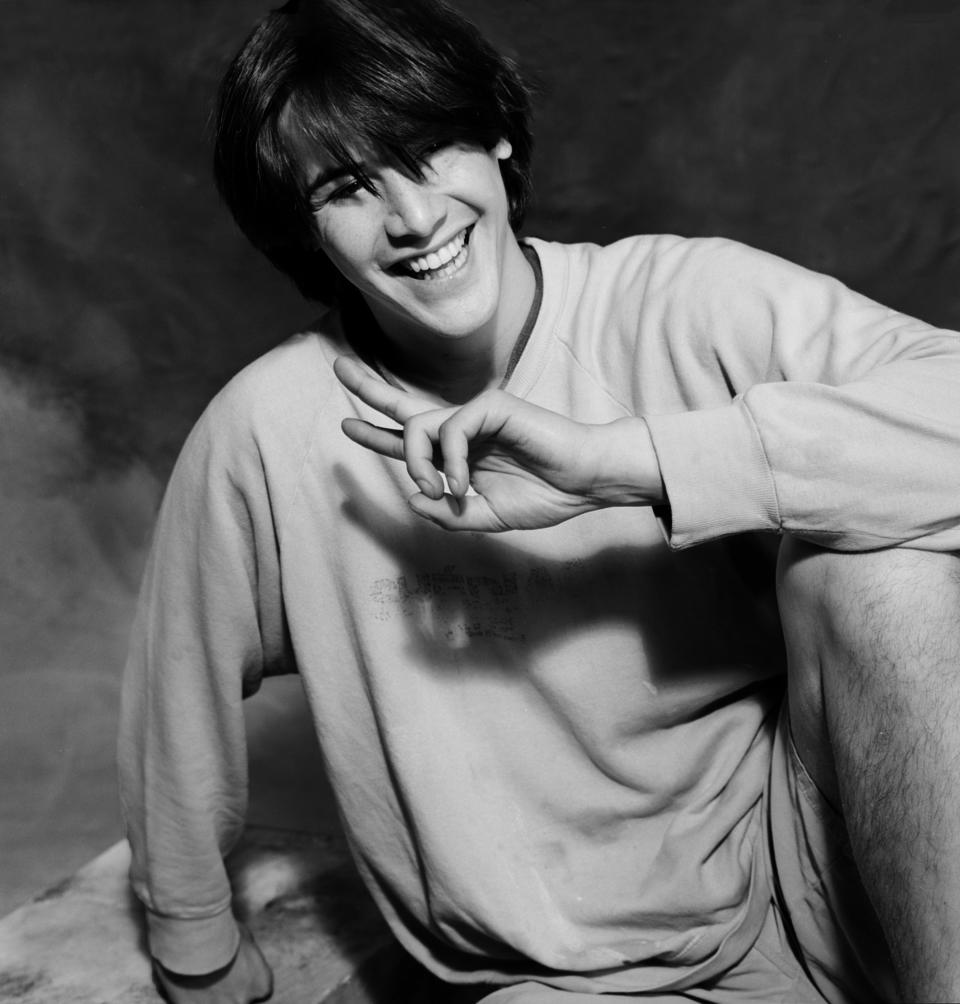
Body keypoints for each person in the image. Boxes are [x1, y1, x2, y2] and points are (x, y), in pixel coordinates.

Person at [117, 0, 960, 1001]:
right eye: (349, 188)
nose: (415, 218)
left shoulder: (683, 303)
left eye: (429, 152)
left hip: (840, 880)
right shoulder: (272, 429)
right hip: (577, 976)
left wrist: (635, 462)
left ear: (496, 136)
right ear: (307, 234)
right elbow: (179, 683)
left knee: (880, 553)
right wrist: (196, 943)